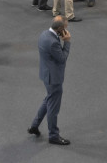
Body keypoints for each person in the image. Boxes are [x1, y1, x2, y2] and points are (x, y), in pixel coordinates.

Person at [29, 16, 72, 146]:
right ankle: (53, 135)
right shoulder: (53, 42)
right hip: (54, 79)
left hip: (46, 75)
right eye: (65, 28)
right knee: (53, 108)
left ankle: (34, 126)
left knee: (48, 99)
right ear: (60, 28)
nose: (66, 29)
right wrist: (67, 42)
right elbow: (62, 58)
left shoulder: (44, 34)